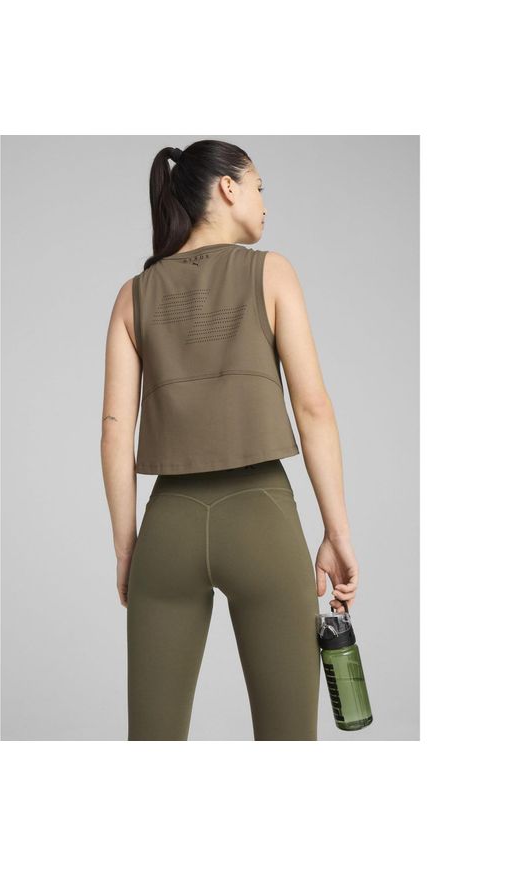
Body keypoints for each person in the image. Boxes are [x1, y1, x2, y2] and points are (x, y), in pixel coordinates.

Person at [100, 139, 359, 741]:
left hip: (168, 526)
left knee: (152, 743)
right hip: (262, 518)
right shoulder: (272, 272)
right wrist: (337, 533)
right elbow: (313, 408)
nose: (265, 202)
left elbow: (114, 433)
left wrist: (128, 549)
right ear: (227, 187)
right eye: (259, 187)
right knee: (287, 740)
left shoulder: (132, 296)